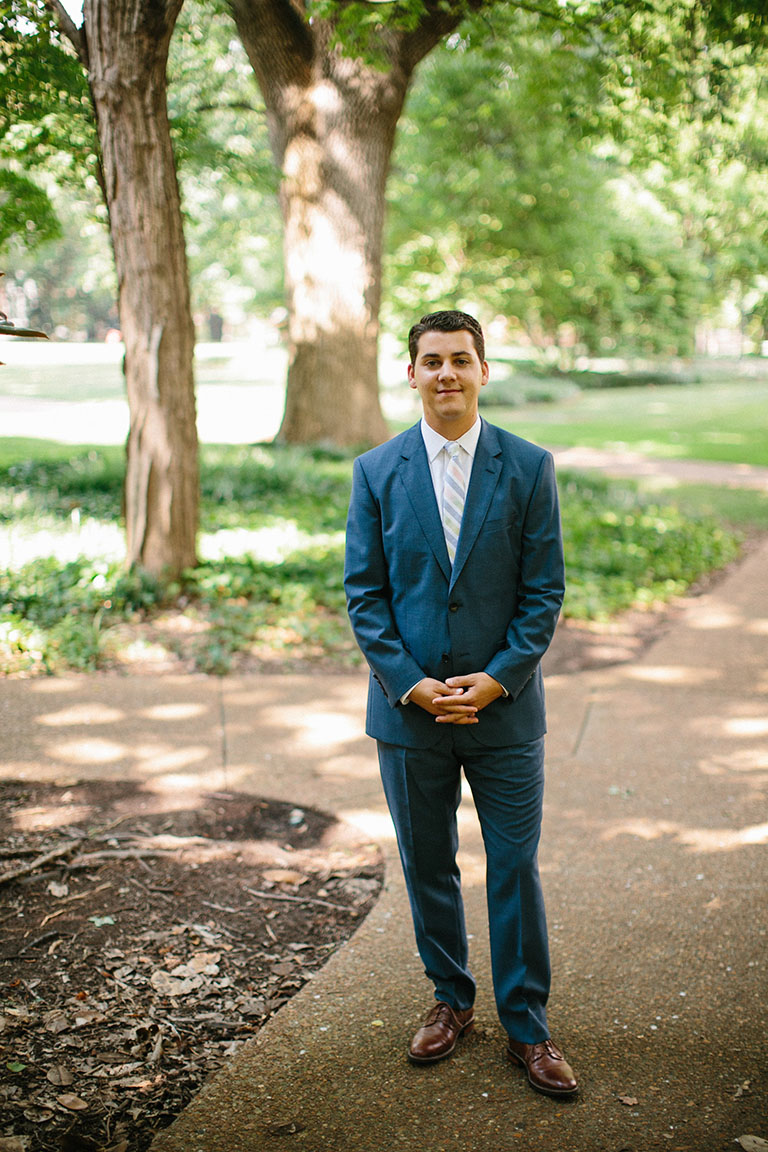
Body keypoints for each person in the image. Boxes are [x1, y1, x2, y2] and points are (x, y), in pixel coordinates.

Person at [344, 310, 577, 1096]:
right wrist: (410, 684)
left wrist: (499, 676)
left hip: (505, 711)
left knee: (513, 867)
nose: (446, 373)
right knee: (427, 866)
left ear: (484, 369)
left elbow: (544, 592)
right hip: (410, 716)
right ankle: (450, 1000)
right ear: (410, 373)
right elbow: (365, 595)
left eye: (461, 360)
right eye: (432, 361)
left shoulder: (530, 466)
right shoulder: (376, 472)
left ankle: (528, 1026)